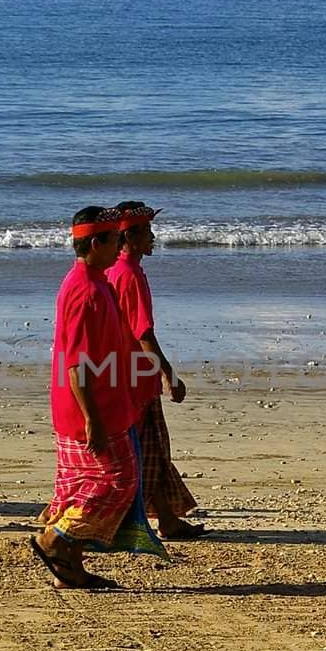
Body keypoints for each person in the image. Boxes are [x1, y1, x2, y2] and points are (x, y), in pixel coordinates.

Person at [31, 206, 165, 590]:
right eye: (115, 240)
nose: (120, 246)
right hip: (89, 404)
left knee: (82, 482)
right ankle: (55, 540)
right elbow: (76, 363)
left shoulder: (98, 282)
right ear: (95, 243)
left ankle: (70, 566)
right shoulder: (84, 290)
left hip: (107, 398)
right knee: (117, 480)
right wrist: (91, 416)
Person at [107, 201, 206, 540]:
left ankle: (167, 518)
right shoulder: (129, 274)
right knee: (145, 449)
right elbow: (144, 333)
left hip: (124, 372)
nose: (153, 237)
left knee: (151, 449)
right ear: (130, 236)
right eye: (147, 231)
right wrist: (169, 373)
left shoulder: (115, 271)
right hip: (137, 375)